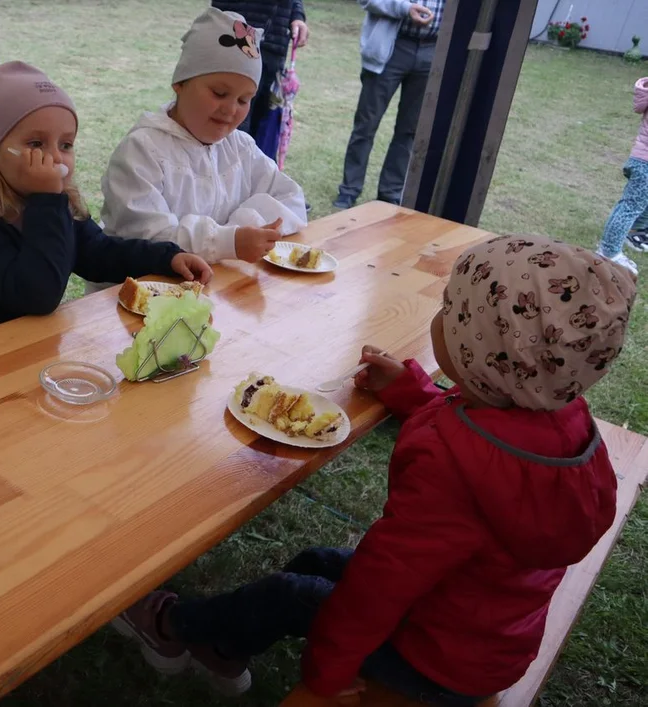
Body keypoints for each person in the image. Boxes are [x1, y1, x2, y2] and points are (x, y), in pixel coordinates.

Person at [112, 235, 634, 703]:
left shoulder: (450, 471)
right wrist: (413, 392)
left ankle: (171, 625)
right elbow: (485, 435)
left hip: (430, 661)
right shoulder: (558, 414)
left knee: (292, 594)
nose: (440, 313)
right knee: (317, 560)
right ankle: (225, 644)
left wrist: (328, 674)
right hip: (484, 633)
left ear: (485, 354)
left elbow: (377, 592)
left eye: (452, 310)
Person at [0, 62, 213, 348]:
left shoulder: (51, 203)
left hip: (23, 351)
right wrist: (47, 201)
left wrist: (166, 257)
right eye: (36, 144)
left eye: (66, 145)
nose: (56, 158)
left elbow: (98, 253)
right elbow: (38, 295)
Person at [94, 8, 306, 295]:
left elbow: (291, 198)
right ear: (180, 83)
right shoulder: (142, 151)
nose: (231, 109)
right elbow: (152, 240)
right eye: (219, 93)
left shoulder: (239, 148)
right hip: (135, 303)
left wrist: (243, 227)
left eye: (244, 99)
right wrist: (228, 242)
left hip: (210, 294)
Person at [333, 0, 441, 209]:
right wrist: (405, 8)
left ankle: (390, 193)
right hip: (393, 46)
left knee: (410, 130)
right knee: (366, 125)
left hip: (432, 50)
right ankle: (349, 190)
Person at [210, 0, 309, 146]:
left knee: (262, 134)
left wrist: (297, 16)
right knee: (232, 130)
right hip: (238, 40)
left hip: (275, 49)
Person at [596, 76, 648, 276]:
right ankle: (608, 251)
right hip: (644, 162)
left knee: (639, 204)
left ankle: (636, 231)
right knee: (630, 206)